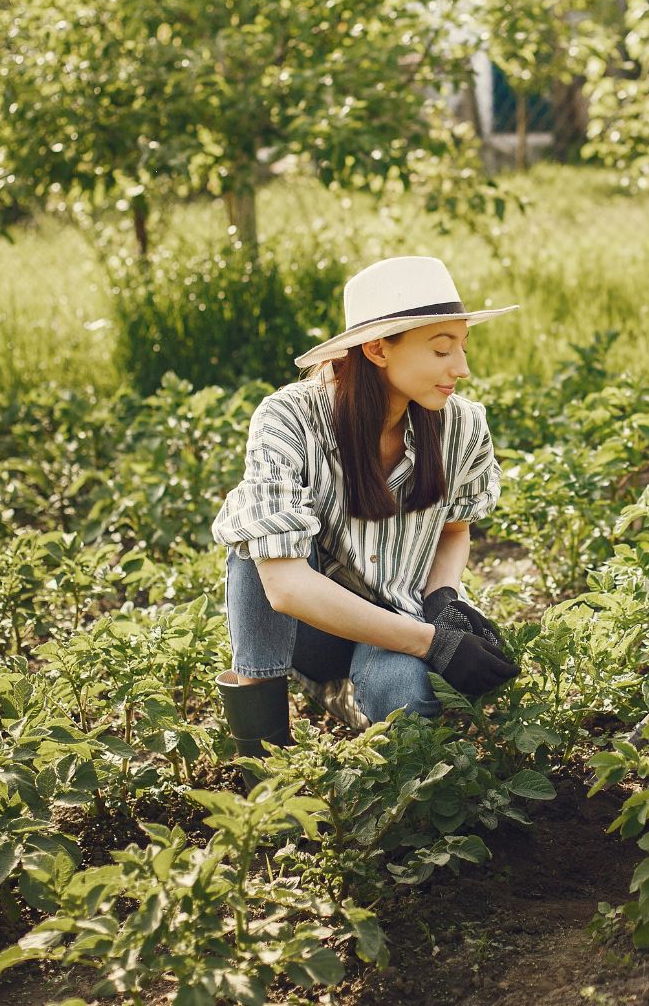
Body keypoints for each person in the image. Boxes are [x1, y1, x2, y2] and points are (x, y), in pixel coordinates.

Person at [211, 255, 520, 765]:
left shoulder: (462, 426)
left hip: (400, 615)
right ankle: (263, 768)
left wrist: (441, 600)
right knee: (255, 545)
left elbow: (455, 527)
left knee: (407, 703)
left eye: (463, 347)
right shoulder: (291, 418)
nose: (462, 368)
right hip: (310, 630)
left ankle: (349, 701)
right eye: (442, 349)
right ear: (377, 349)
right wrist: (432, 643)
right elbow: (285, 587)